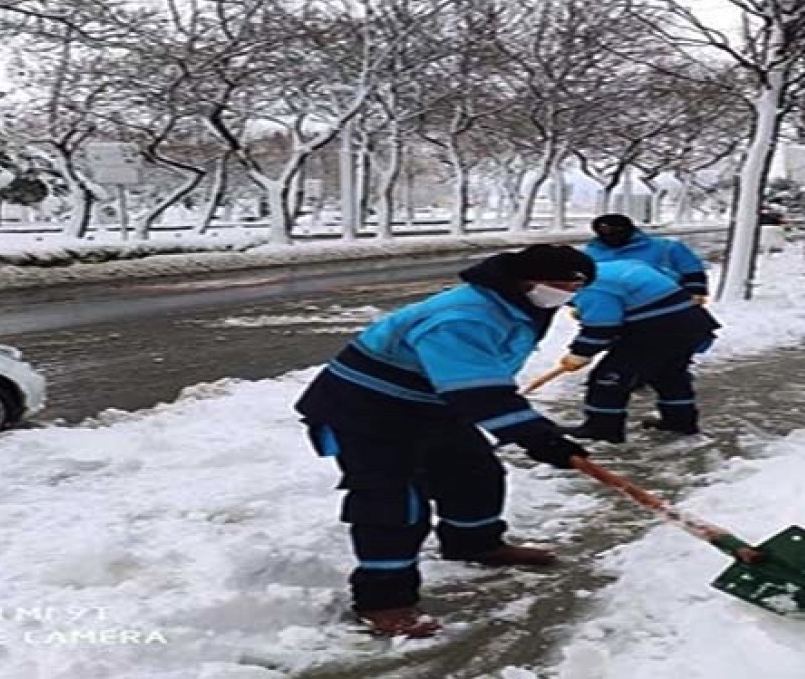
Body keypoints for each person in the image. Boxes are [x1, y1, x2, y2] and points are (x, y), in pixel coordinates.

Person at [293, 245, 595, 639]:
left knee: (474, 471)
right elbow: (478, 391)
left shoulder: (517, 306)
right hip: (364, 408)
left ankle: (474, 543)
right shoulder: (463, 317)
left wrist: (535, 433)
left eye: (577, 286)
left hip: (429, 402)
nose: (568, 293)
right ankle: (383, 601)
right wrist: (540, 438)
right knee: (394, 502)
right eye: (561, 285)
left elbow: (481, 379)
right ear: (527, 280)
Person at [559, 259, 720, 444]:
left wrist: (579, 354)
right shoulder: (612, 267)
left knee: (608, 380)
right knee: (669, 376)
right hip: (692, 324)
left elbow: (602, 327)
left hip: (656, 334)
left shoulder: (590, 288)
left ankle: (602, 428)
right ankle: (680, 422)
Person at [584, 213, 709, 301]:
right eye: (605, 232)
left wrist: (695, 293)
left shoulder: (666, 247)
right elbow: (579, 281)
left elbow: (692, 269)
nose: (611, 236)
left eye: (617, 230)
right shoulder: (591, 253)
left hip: (664, 301)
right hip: (612, 305)